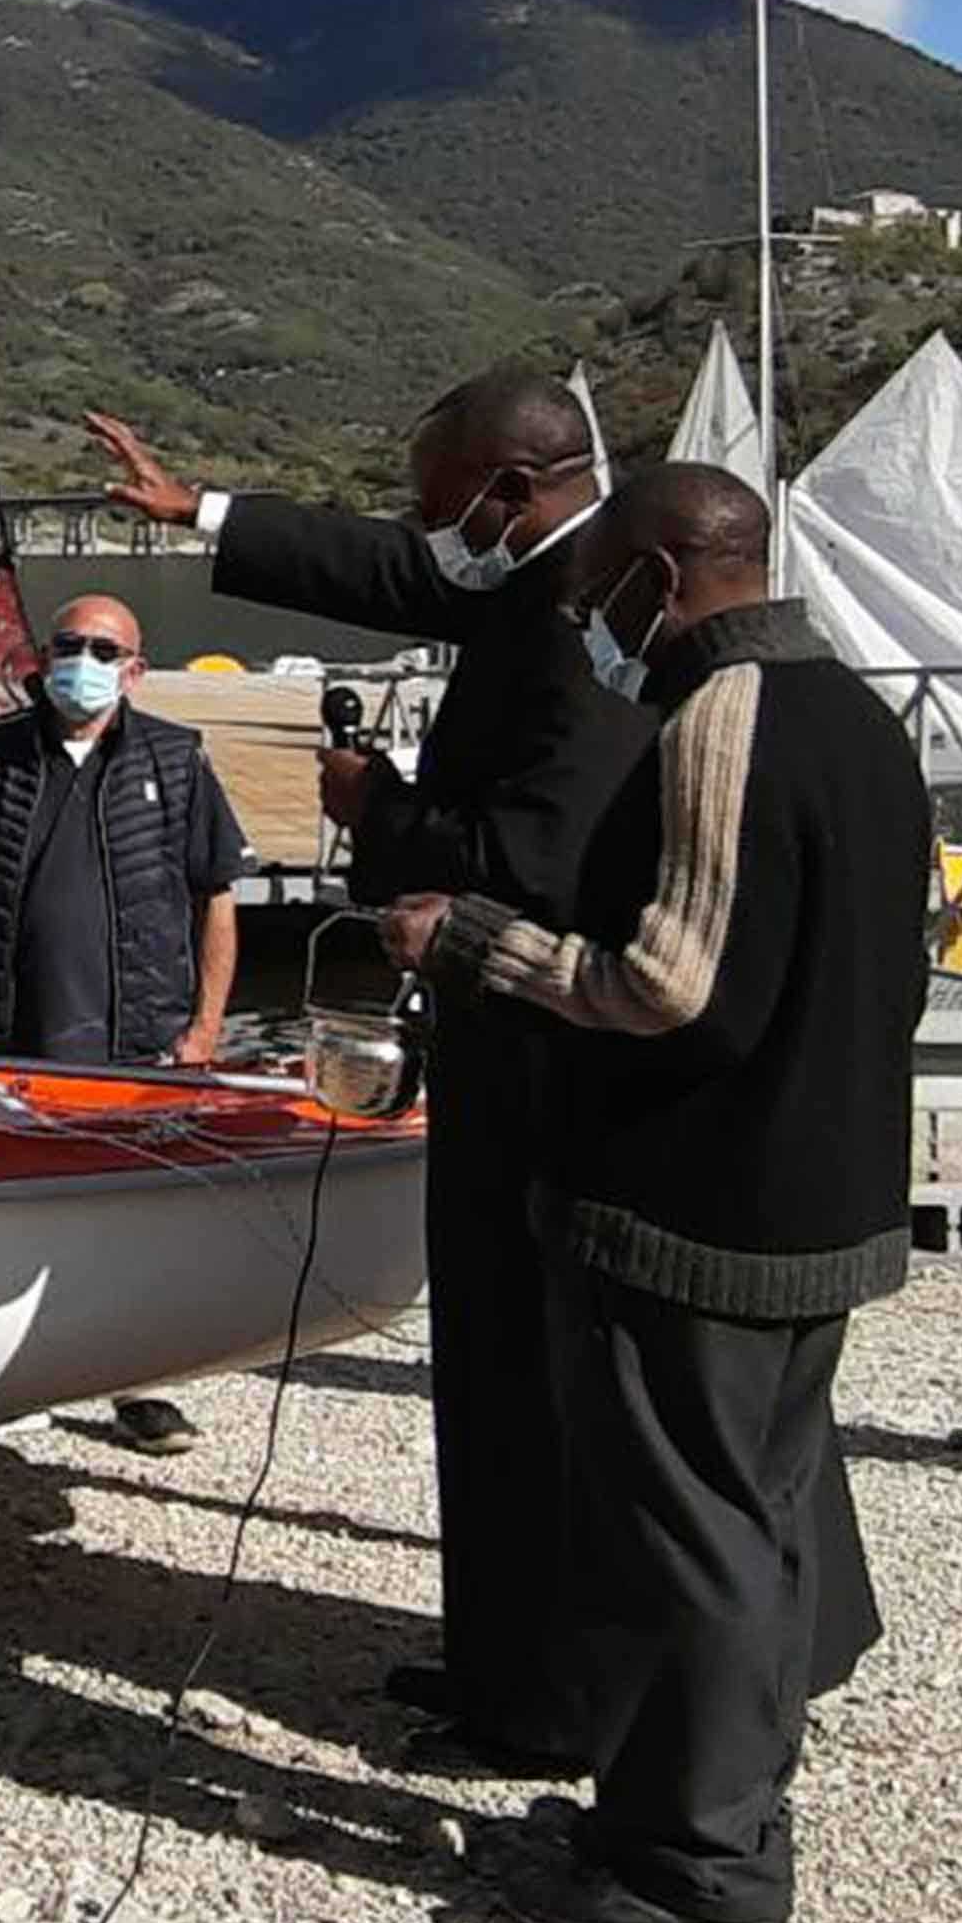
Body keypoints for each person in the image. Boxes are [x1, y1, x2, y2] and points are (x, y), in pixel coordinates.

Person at [383, 462, 927, 1923]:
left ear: (662, 577)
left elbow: (667, 987)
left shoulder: (722, 723)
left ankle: (698, 1869)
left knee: (685, 1536)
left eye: (599, 589)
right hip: (818, 1198)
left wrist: (471, 938)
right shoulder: (858, 716)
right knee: (751, 1519)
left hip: (700, 1213)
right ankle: (704, 1809)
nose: (591, 621)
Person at [92, 372, 654, 1774]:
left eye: (437, 497)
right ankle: (495, 1658)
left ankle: (544, 1701)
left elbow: (536, 860)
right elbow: (400, 570)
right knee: (487, 1366)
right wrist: (200, 510)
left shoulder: (586, 627)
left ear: (508, 490)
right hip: (500, 1048)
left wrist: (379, 810)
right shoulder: (539, 568)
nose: (424, 523)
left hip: (544, 1061)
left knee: (528, 1372)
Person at [0, 591, 251, 1456]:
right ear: (42, 658)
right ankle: (0, 1382)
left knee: (139, 1221)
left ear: (135, 670)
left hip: (138, 1042)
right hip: (8, 1036)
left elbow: (215, 898)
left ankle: (141, 1389)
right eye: (70, 646)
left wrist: (204, 1031)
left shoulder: (176, 759)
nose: (85, 663)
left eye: (106, 651)